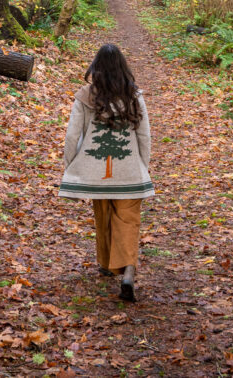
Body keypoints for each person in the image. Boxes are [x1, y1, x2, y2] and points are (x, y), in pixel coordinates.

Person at [58, 44, 154, 301]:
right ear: (123, 67)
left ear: (96, 67)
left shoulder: (85, 96)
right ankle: (127, 269)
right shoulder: (134, 95)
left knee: (103, 214)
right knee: (128, 219)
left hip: (95, 172)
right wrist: (142, 166)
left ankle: (107, 264)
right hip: (129, 171)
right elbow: (144, 135)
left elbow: (72, 135)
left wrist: (71, 167)